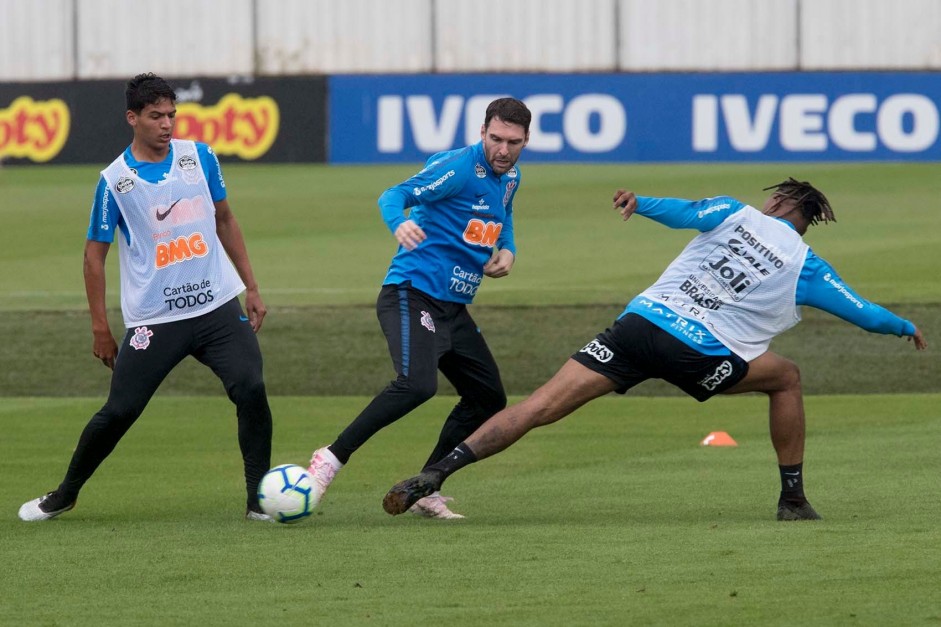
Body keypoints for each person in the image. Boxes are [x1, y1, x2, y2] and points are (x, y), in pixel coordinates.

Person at [382, 178, 928, 521]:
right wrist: (902, 325)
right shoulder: (808, 264)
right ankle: (792, 499)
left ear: (780, 200)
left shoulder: (734, 212)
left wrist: (640, 203)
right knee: (785, 377)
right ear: (808, 222)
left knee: (537, 407)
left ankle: (436, 473)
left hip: (639, 327)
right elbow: (861, 311)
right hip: (700, 354)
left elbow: (683, 210)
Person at [18, 73, 274, 522]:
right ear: (132, 118)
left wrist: (250, 287)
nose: (167, 124)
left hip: (216, 306)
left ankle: (258, 500)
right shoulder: (114, 182)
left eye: (172, 115)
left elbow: (226, 219)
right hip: (156, 319)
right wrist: (100, 326)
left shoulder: (201, 157)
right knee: (120, 411)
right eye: (156, 116)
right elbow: (93, 257)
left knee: (251, 387)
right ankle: (64, 494)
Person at [306, 97, 532, 519]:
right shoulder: (459, 168)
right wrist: (400, 222)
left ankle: (428, 485)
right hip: (411, 292)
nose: (503, 150)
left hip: (453, 306)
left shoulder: (511, 176)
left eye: (513, 142)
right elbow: (395, 194)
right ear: (482, 133)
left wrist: (509, 249)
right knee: (416, 384)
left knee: (487, 396)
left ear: (526, 140)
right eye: (496, 139)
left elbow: (507, 215)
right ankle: (331, 458)